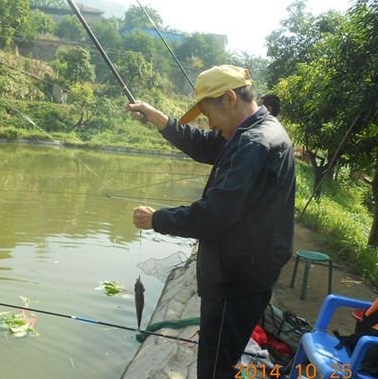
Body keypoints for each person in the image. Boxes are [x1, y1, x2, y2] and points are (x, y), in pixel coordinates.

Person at [125, 65, 295, 379]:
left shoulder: (252, 144)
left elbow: (214, 214)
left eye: (208, 115)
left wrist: (157, 219)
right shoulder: (255, 132)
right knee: (221, 360)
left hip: (236, 281)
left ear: (230, 98)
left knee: (214, 369)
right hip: (248, 272)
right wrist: (158, 118)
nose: (210, 125)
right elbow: (204, 145)